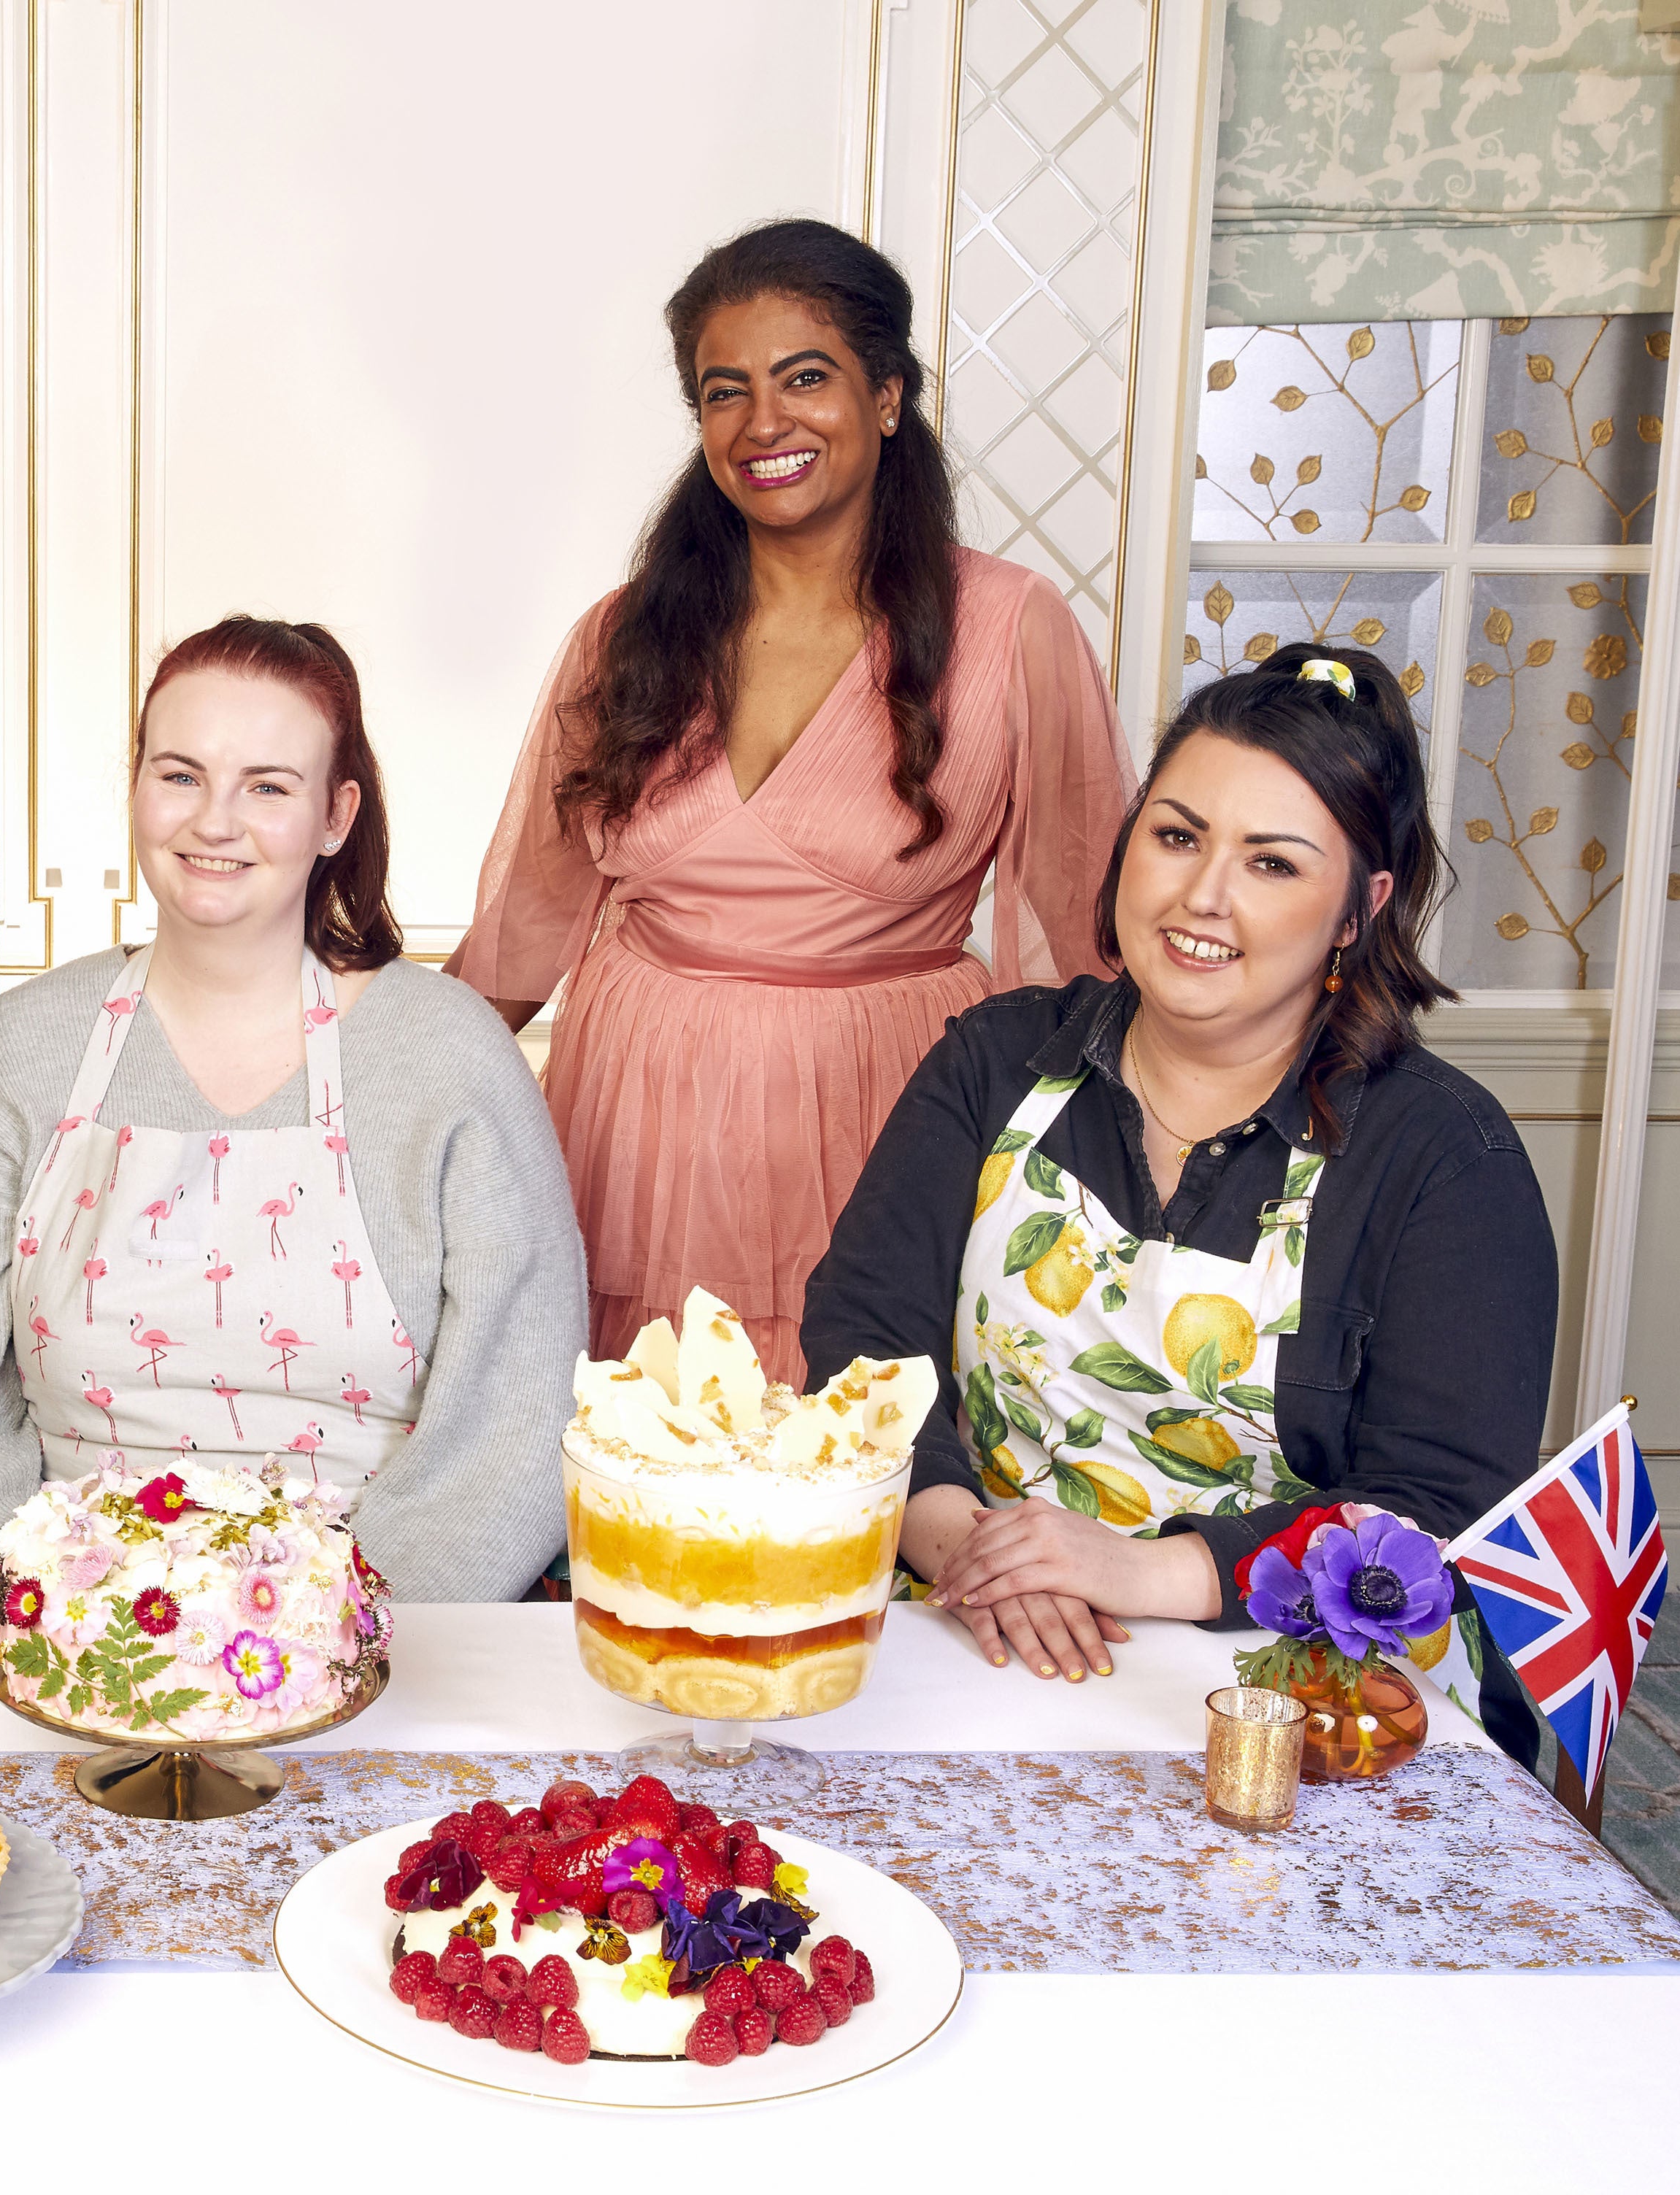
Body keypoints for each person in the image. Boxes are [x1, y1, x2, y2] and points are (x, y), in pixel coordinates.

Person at [800, 644, 1557, 1759]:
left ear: (1362, 907)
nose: (1202, 896)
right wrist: (969, 1543)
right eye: (1177, 835)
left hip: (1306, 1701)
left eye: (1274, 865)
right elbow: (864, 1339)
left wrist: (1141, 1569)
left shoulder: (1447, 1157)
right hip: (984, 1635)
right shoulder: (998, 1059)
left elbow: (1429, 1505)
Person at [450, 218, 1133, 1386]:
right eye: (726, 392)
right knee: (635, 1474)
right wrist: (352, 1091)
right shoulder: (623, 637)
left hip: (884, 1113)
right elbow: (524, 927)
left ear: (885, 396)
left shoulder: (1013, 628)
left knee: (846, 1476)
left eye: (804, 377)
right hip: (634, 1119)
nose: (764, 422)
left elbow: (1086, 938)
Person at [0, 617, 587, 1602]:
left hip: (376, 1650)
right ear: (137, 787)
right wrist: (65, 1631)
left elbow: (512, 1431)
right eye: (180, 776)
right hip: (60, 1639)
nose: (215, 822)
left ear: (336, 816)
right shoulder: (13, 1056)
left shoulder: (452, 1059)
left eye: (268, 786)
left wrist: (338, 1643)